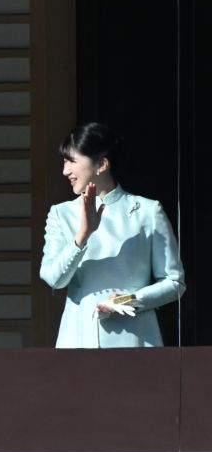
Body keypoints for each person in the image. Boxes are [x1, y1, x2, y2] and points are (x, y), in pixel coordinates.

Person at [39, 122, 185, 348]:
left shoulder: (147, 211)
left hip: (135, 340)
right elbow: (53, 279)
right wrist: (83, 235)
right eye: (64, 162)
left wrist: (130, 300)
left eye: (72, 161)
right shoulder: (61, 213)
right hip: (78, 339)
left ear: (102, 164)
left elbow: (174, 282)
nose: (65, 171)